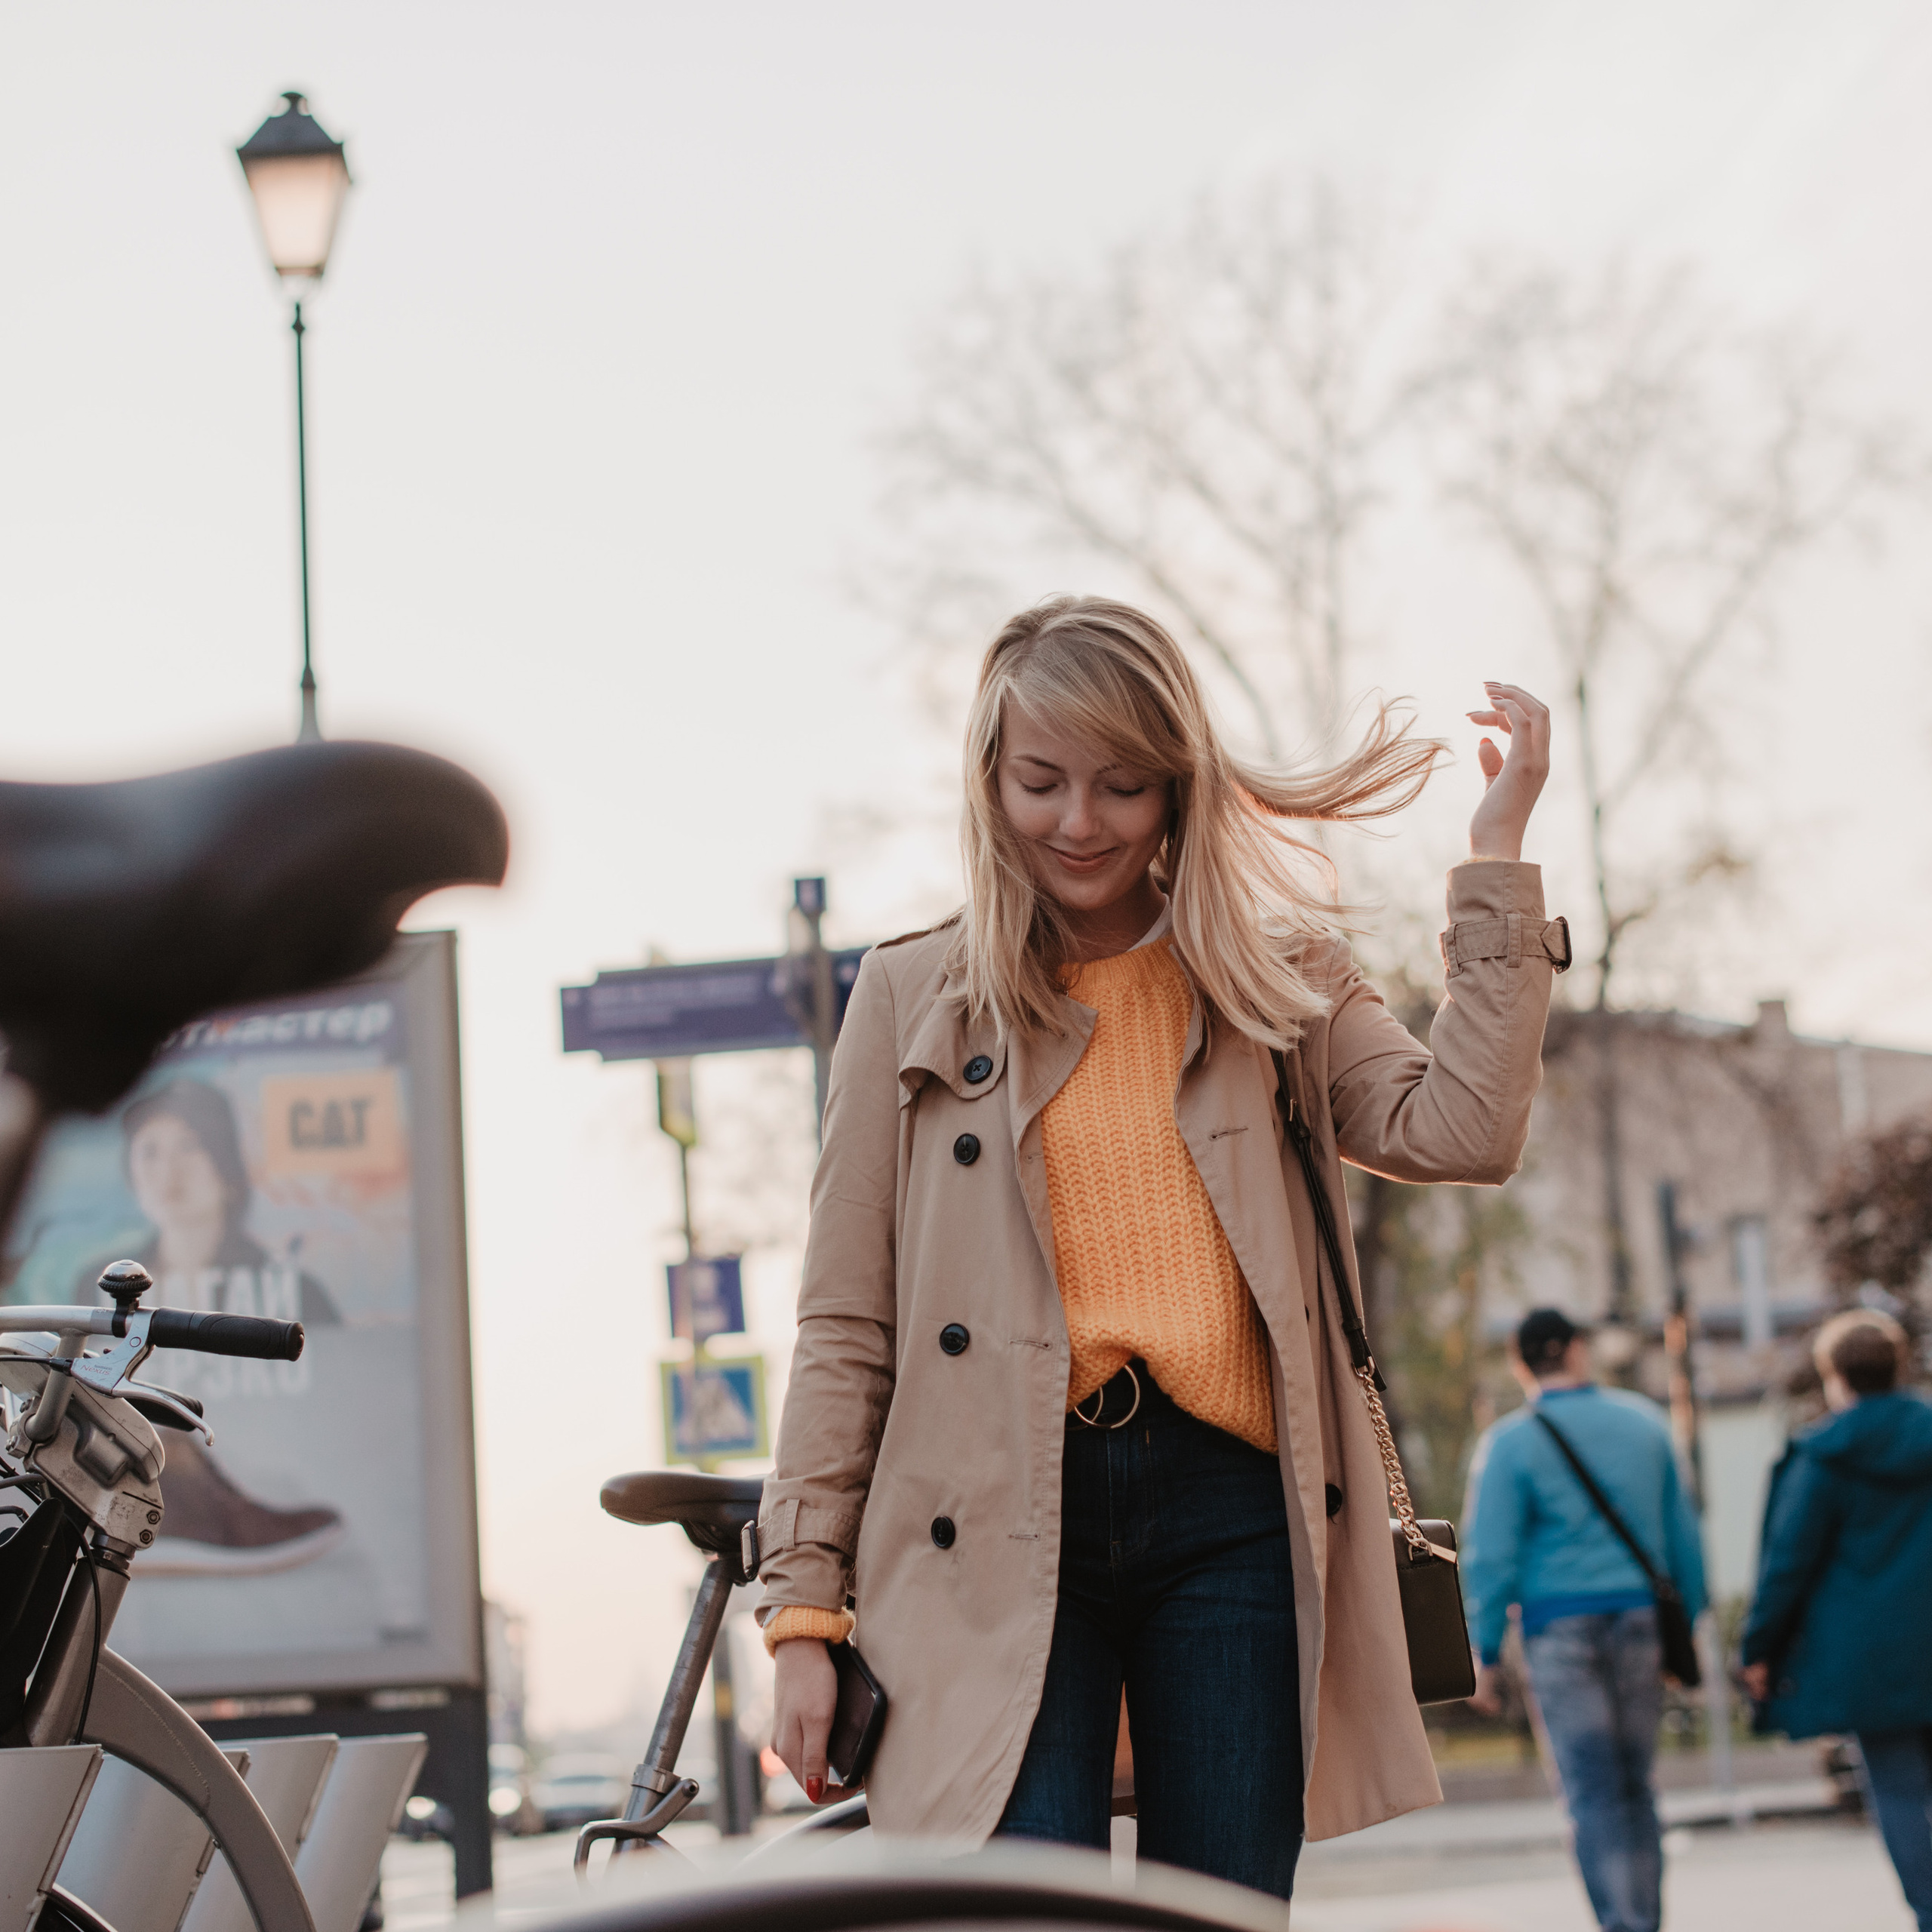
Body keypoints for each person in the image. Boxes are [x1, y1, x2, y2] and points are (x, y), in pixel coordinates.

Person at [756, 595, 1565, 1896]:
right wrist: (803, 1612)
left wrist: (1497, 865)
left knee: (1221, 1912)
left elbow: (1462, 1128)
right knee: (1033, 1912)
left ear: (1178, 786)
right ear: (989, 779)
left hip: (1231, 1510)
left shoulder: (1276, 978)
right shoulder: (910, 995)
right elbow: (846, 1323)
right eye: (1042, 782)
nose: (1080, 823)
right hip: (990, 1512)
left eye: (1123, 785)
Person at [1461, 1308, 1706, 1932]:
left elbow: (1491, 1557)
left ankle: (1621, 1923)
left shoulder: (1510, 1443)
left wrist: (1483, 1652)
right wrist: (1688, 1629)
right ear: (1576, 1351)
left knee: (1591, 1790)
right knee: (1636, 1784)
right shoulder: (1644, 1424)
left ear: (1520, 1365)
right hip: (1639, 1622)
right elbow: (1684, 1538)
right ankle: (1644, 1921)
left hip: (1557, 1630)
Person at [82, 1078, 344, 1576]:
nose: (169, 1170)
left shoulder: (301, 1294)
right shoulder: (94, 1283)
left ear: (226, 1167)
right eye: (150, 1151)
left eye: (190, 1146)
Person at [1742, 1310, 1932, 1932]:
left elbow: (1788, 1564)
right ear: (1897, 1367)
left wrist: (1758, 1647)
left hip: (1871, 1659)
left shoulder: (1823, 1456)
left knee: (1898, 1791)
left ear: (1835, 1377)